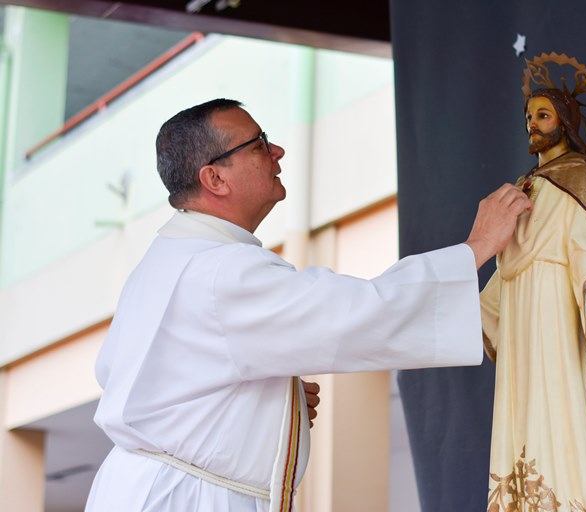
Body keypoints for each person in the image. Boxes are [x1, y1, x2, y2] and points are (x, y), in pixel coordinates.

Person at [85, 98, 531, 512]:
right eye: (258, 144)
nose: (276, 150)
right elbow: (357, 314)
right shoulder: (221, 271)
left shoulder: (168, 260)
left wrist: (277, 405)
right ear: (215, 178)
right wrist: (476, 248)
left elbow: (174, 385)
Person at [481, 88, 586, 512]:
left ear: (564, 122)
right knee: (520, 419)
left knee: (555, 418)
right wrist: (471, 311)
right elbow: (504, 271)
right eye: (528, 116)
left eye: (543, 115)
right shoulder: (520, 190)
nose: (533, 123)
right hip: (518, 324)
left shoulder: (581, 178)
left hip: (553, 320)